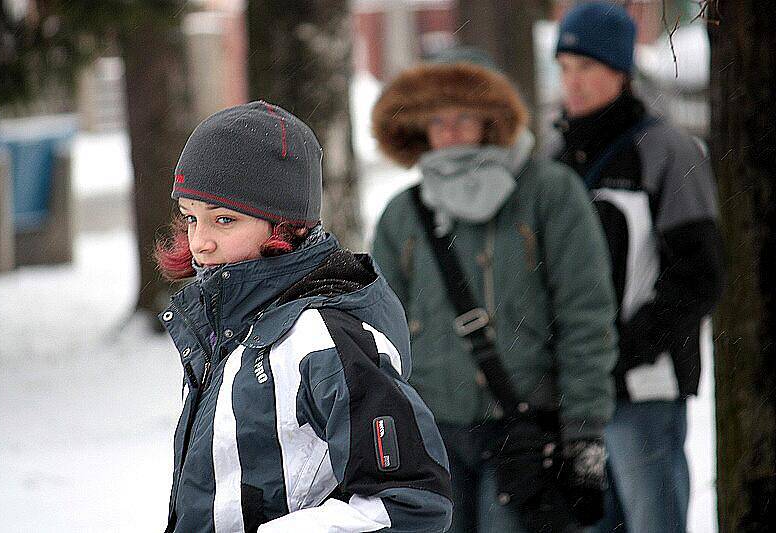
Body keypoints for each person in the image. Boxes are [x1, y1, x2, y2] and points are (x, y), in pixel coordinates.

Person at [155, 101, 453, 532]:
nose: (200, 242)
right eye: (190, 218)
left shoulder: (324, 337)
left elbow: (412, 501)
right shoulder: (227, 328)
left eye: (223, 220)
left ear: (286, 227)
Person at [370, 52, 618, 532]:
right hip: (434, 432)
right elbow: (379, 336)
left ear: (492, 118)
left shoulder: (549, 193)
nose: (450, 130)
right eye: (437, 118)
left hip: (526, 425)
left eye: (464, 115)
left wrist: (584, 430)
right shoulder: (403, 214)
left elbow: (585, 315)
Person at [552, 3, 724, 532]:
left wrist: (627, 349)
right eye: (565, 67)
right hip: (578, 392)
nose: (573, 83)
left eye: (588, 67)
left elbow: (699, 274)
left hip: (647, 387)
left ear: (621, 73)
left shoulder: (669, 152)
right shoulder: (557, 158)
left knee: (654, 521)